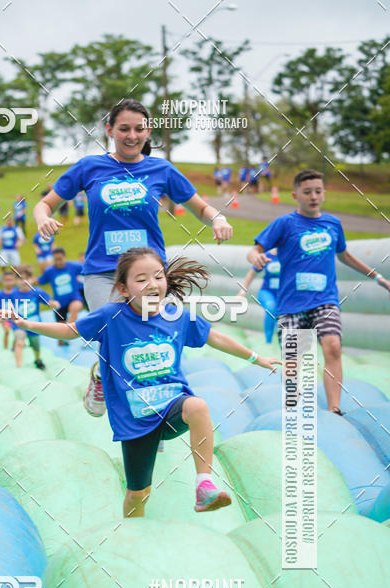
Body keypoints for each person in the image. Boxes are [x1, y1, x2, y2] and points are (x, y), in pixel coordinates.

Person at [3, 247, 279, 517]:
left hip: (171, 406)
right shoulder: (110, 315)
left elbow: (214, 337)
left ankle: (204, 484)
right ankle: (132, 531)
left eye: (158, 276)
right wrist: (30, 325)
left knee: (197, 406)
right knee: (138, 494)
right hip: (134, 419)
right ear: (123, 289)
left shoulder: (177, 315)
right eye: (141, 279)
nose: (152, 284)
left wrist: (256, 358)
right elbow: (71, 331)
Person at [33, 97, 233, 416]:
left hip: (150, 274)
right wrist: (43, 218)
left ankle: (158, 406)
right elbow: (45, 204)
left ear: (148, 131)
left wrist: (218, 219)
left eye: (139, 129)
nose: (131, 135)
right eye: (123, 128)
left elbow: (201, 207)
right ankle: (101, 375)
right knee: (112, 329)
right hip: (102, 272)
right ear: (110, 129)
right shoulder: (89, 167)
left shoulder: (161, 169)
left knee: (151, 336)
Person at [248, 169, 390, 414]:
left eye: (317, 191)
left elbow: (344, 255)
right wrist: (256, 257)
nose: (313, 196)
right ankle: (294, 402)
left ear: (324, 193)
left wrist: (378, 277)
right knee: (293, 360)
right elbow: (255, 249)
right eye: (307, 192)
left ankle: (334, 408)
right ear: (295, 195)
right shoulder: (285, 223)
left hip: (325, 300)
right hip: (291, 303)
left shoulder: (333, 224)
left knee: (332, 346)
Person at [38, 248, 84, 343]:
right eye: (56, 260)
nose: (58, 262)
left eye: (60, 259)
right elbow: (40, 281)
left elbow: (88, 268)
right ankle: (63, 339)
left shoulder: (74, 266)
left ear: (64, 257)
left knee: (75, 308)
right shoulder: (49, 271)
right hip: (59, 303)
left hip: (74, 298)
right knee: (60, 337)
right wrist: (28, 281)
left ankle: (69, 332)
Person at [237, 248, 280, 343]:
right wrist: (242, 291)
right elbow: (251, 274)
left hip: (283, 294)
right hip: (267, 292)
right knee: (271, 307)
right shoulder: (266, 256)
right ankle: (268, 341)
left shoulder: (290, 254)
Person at [9, 266, 48, 369]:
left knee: (35, 345)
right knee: (20, 342)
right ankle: (19, 366)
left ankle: (37, 359)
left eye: (27, 278)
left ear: (32, 279)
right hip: (19, 324)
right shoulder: (13, 294)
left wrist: (54, 304)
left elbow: (48, 301)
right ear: (16, 281)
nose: (24, 281)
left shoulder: (37, 292)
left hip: (34, 324)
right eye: (20, 279)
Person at [0, 269, 20, 349]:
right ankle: (5, 348)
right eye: (6, 280)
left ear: (14, 281)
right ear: (3, 281)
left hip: (16, 317)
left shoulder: (17, 292)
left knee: (17, 332)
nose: (9, 282)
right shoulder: (0, 294)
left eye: (11, 280)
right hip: (5, 318)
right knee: (6, 331)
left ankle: (14, 347)